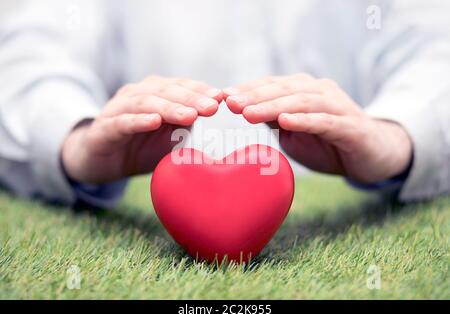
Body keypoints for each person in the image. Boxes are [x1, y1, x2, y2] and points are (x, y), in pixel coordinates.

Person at [0, 0, 449, 208]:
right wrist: (73, 143)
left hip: (356, 178)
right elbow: (30, 48)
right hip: (154, 181)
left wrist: (398, 136)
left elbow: (437, 44)